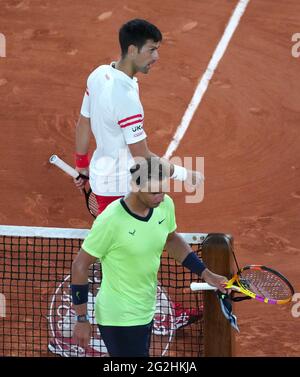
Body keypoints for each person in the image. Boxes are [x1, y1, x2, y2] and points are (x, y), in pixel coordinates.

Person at [71, 157, 227, 357]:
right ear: (135, 186)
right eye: (154, 192)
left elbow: (171, 240)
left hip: (145, 309)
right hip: (118, 317)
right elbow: (80, 266)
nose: (160, 197)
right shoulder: (111, 220)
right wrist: (82, 319)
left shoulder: (164, 205)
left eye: (163, 190)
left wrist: (206, 274)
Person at [74, 18, 203, 215]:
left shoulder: (99, 75)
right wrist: (185, 174)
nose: (156, 56)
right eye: (151, 50)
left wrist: (81, 165)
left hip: (102, 180)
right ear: (133, 50)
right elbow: (142, 156)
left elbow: (84, 122)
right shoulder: (125, 98)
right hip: (122, 189)